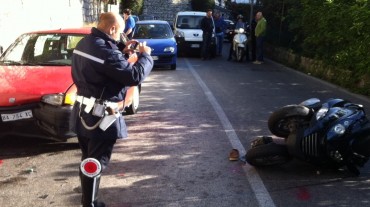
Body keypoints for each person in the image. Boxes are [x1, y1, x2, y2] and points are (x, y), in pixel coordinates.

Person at [70, 12, 153, 207]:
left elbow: (102, 68)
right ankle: (90, 204)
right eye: (120, 33)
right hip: (100, 117)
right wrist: (146, 56)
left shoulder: (84, 44)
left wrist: (122, 52)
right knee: (95, 163)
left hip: (83, 111)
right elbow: (134, 75)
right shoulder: (106, 52)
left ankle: (87, 198)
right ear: (113, 29)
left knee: (88, 159)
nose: (120, 36)